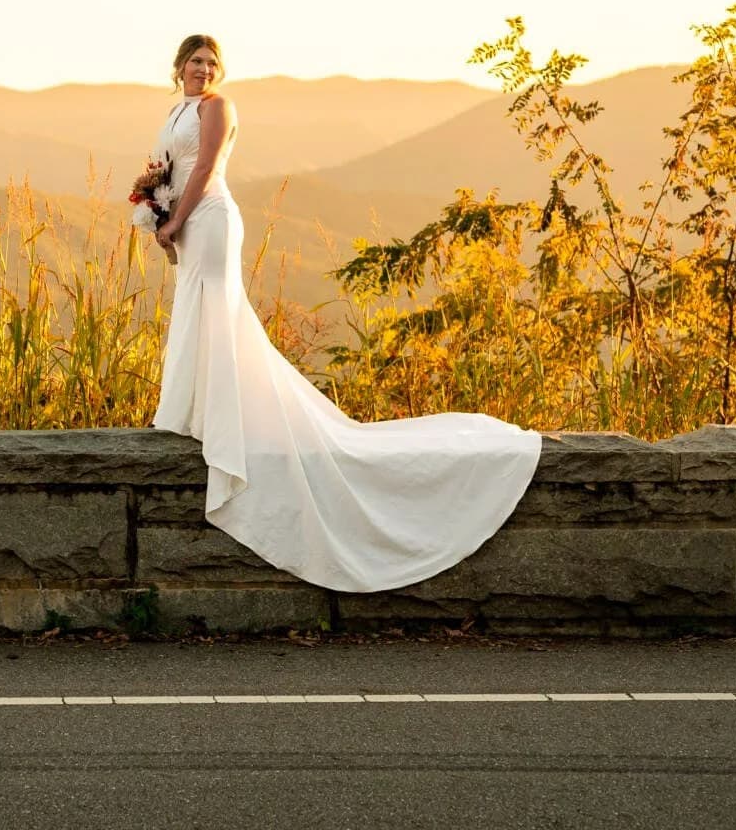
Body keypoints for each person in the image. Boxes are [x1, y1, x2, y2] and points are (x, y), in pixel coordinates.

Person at [147, 33, 541, 593]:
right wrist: (156, 210)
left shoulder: (217, 108)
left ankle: (224, 421)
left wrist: (177, 220)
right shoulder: (176, 108)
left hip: (209, 218)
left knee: (218, 311)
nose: (204, 70)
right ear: (179, 66)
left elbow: (206, 167)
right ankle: (196, 412)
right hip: (187, 222)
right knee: (197, 308)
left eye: (212, 63)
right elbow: (168, 168)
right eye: (195, 61)